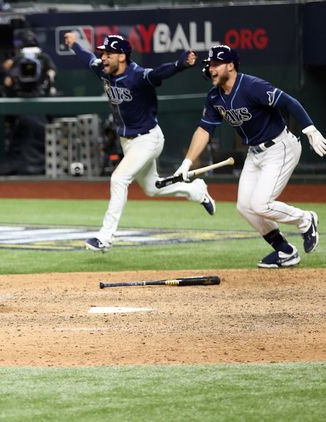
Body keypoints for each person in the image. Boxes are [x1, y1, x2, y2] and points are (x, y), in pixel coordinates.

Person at [174, 45, 324, 268]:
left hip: (280, 147)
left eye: (216, 64)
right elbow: (204, 130)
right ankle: (285, 252)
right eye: (210, 65)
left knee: (261, 204)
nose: (211, 69)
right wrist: (187, 162)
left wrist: (309, 128)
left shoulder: (252, 86)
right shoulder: (214, 96)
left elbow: (289, 102)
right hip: (255, 153)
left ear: (231, 65)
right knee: (244, 206)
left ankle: (306, 220)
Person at [64, 33, 215, 252]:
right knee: (153, 188)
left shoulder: (137, 75)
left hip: (147, 139)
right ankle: (197, 191)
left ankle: (104, 238)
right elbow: (86, 58)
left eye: (108, 54)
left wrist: (180, 65)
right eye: (103, 53)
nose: (103, 57)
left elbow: (157, 73)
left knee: (118, 179)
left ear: (122, 56)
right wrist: (74, 44)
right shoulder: (103, 70)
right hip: (129, 142)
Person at [0, 30, 56, 176]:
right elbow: (52, 75)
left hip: (23, 102)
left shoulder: (19, 58)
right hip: (37, 100)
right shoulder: (42, 57)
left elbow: (8, 81)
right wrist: (47, 86)